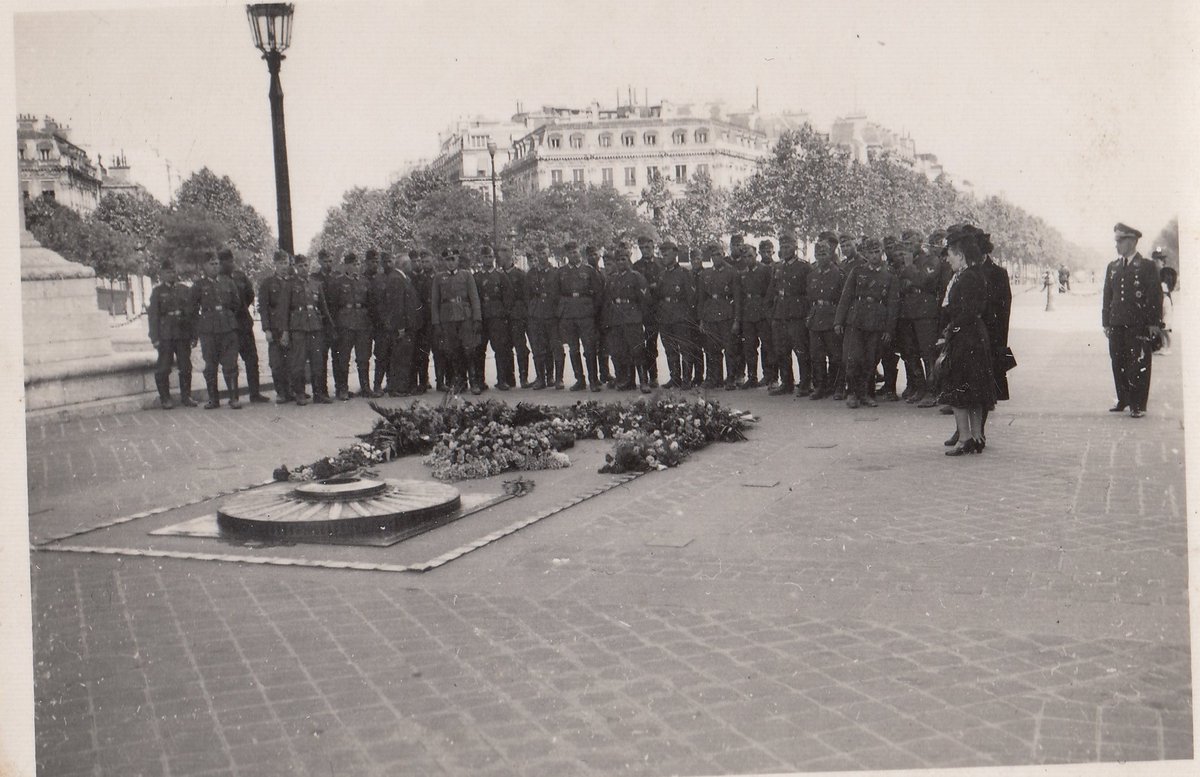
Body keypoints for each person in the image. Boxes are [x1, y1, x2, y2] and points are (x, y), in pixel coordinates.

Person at [935, 224, 997, 454]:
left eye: (950, 255)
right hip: (972, 336)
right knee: (973, 390)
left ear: (960, 255)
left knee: (959, 389)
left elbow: (966, 310)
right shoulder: (971, 274)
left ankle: (965, 439)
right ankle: (976, 437)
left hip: (965, 338)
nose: (948, 260)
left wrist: (950, 328)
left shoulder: (967, 278)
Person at [1102, 223, 1163, 418]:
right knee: (1118, 360)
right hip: (1116, 323)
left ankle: (1138, 404)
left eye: (1120, 241)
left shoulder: (1146, 266)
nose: (1117, 245)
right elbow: (1107, 296)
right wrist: (1106, 322)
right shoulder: (1113, 267)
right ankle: (1124, 399)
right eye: (1116, 241)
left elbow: (1155, 295)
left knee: (1138, 362)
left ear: (1133, 241)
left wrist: (1154, 323)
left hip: (1138, 324)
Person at [834, 237, 899, 408]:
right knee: (853, 357)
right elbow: (846, 297)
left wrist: (889, 330)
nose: (874, 256)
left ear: (882, 252)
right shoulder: (857, 271)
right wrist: (838, 321)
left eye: (877, 252)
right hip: (856, 319)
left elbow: (893, 305)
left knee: (871, 359)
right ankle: (852, 393)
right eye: (870, 252)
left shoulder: (889, 275)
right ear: (865, 254)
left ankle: (867, 393)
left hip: (877, 321)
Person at [191, 251, 243, 409]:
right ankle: (214, 399)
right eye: (211, 264)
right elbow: (192, 309)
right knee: (210, 364)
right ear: (204, 267)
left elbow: (236, 304)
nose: (215, 267)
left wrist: (226, 316)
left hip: (228, 327)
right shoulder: (199, 286)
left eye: (216, 264)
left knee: (231, 363)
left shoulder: (228, 282)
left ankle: (234, 398)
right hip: (208, 330)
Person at [280, 253, 334, 405]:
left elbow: (323, 307)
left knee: (317, 361)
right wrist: (284, 331)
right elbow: (284, 310)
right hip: (298, 327)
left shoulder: (315, 283)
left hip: (316, 326)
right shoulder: (289, 284)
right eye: (300, 266)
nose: (304, 268)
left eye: (305, 265)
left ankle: (319, 394)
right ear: (295, 267)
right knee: (299, 361)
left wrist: (329, 326)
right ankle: (300, 393)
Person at [218, 248, 269, 403]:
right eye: (228, 261)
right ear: (221, 263)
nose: (231, 264)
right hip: (228, 326)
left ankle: (255, 393)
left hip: (244, 323)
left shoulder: (240, 276)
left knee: (252, 359)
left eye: (232, 260)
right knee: (231, 361)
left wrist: (241, 308)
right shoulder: (218, 280)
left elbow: (250, 295)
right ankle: (234, 396)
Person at [430, 248, 483, 394]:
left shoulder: (466, 275)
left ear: (458, 260)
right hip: (447, 318)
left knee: (469, 350)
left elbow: (474, 298)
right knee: (453, 351)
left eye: (453, 259)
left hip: (465, 316)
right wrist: (436, 323)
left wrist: (477, 318)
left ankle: (474, 382)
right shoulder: (439, 278)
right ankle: (460, 381)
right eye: (448, 260)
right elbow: (434, 303)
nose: (451, 263)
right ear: (444, 262)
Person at [766, 232, 810, 397]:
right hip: (780, 314)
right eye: (782, 247)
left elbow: (809, 292)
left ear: (795, 247)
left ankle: (805, 384)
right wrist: (771, 312)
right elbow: (772, 291)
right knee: (781, 351)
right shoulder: (777, 267)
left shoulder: (804, 267)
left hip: (796, 314)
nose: (784, 250)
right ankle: (787, 383)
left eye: (788, 246)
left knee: (801, 350)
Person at [603, 243, 651, 392]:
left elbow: (645, 300)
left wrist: (641, 318)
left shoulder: (636, 277)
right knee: (621, 351)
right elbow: (608, 300)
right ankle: (627, 381)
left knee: (637, 350)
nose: (620, 263)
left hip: (632, 317)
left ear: (629, 260)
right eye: (618, 260)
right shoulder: (612, 279)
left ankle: (643, 381)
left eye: (623, 259)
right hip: (617, 318)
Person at [147, 259, 195, 409]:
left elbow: (191, 314)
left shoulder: (184, 290)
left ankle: (186, 396)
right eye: (168, 272)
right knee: (164, 367)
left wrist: (193, 335)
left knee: (185, 366)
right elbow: (153, 316)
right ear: (162, 274)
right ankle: (165, 398)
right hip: (166, 335)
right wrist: (154, 338)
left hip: (182, 333)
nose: (172, 275)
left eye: (173, 271)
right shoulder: (157, 292)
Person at [558, 240, 603, 391]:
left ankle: (593, 380)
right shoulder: (561, 272)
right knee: (573, 348)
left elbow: (598, 293)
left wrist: (593, 311)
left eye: (575, 252)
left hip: (585, 313)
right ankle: (580, 380)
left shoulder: (589, 270)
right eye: (570, 253)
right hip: (568, 313)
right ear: (566, 255)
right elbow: (556, 294)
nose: (573, 255)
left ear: (579, 252)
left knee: (589, 348)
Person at [327, 252, 373, 400]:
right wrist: (334, 326)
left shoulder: (365, 282)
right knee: (343, 358)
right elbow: (333, 306)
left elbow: (370, 303)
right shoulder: (337, 282)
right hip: (345, 323)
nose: (356, 267)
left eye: (358, 264)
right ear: (345, 265)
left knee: (363, 357)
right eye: (353, 264)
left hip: (362, 323)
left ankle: (365, 387)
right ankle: (343, 389)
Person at [805, 240, 844, 400]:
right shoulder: (812, 275)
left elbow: (843, 299)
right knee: (816, 355)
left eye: (825, 254)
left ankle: (837, 387)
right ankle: (820, 386)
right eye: (819, 254)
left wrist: (839, 321)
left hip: (831, 316)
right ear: (815, 255)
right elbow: (809, 298)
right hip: (816, 318)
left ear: (831, 254)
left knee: (835, 355)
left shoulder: (838, 274)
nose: (821, 257)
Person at [654, 240, 696, 389]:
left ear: (675, 253)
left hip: (681, 316)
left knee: (685, 348)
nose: (664, 254)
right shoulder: (661, 275)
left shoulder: (684, 273)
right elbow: (658, 296)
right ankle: (675, 377)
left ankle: (686, 379)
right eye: (662, 251)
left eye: (667, 251)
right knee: (670, 349)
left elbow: (691, 298)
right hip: (665, 317)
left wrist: (688, 317)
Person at [475, 246, 515, 390]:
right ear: (481, 258)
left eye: (490, 257)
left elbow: (509, 296)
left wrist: (504, 312)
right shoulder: (476, 277)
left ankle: (502, 380)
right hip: (482, 317)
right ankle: (480, 381)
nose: (488, 259)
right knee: (480, 349)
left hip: (497, 316)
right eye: (485, 257)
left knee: (500, 348)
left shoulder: (500, 275)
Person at [257, 250, 294, 403]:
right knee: (276, 363)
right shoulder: (267, 283)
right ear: (275, 264)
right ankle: (280, 392)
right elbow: (263, 308)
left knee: (292, 361)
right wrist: (266, 329)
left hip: (291, 327)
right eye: (281, 263)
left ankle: (291, 391)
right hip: (275, 327)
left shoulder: (292, 282)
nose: (284, 266)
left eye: (286, 263)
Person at [525, 242, 561, 389]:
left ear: (549, 255)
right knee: (538, 348)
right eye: (540, 254)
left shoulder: (555, 272)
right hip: (536, 313)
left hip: (552, 313)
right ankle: (541, 379)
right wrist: (532, 308)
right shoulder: (531, 274)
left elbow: (559, 293)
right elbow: (527, 294)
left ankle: (556, 378)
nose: (542, 257)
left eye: (545, 254)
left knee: (555, 346)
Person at [737, 244, 772, 388]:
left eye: (750, 256)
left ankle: (769, 376)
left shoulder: (765, 270)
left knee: (767, 346)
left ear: (756, 255)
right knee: (749, 346)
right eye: (744, 257)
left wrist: (768, 311)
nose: (747, 259)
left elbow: (770, 292)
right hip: (748, 314)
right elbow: (741, 296)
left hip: (762, 312)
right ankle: (752, 377)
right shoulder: (742, 273)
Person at [498, 245, 533, 388]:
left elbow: (526, 297)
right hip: (503, 316)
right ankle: (509, 378)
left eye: (500, 257)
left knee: (520, 347)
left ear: (508, 257)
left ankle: (523, 378)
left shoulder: (520, 275)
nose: (499, 260)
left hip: (517, 316)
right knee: (505, 348)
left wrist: (523, 314)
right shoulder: (498, 275)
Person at [633, 235, 663, 386]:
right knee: (649, 344)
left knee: (668, 343)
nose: (645, 251)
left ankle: (676, 377)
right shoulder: (636, 266)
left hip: (661, 308)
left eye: (648, 248)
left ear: (653, 247)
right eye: (642, 248)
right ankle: (652, 376)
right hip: (644, 310)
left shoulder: (661, 263)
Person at [1153, 248, 1175, 355]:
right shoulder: (1153, 273)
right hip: (1158, 302)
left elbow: (1167, 289)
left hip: (1165, 301)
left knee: (1165, 326)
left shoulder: (1166, 273)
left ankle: (1169, 347)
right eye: (1157, 259)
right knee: (1159, 326)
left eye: (1160, 260)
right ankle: (1163, 346)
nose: (1158, 262)